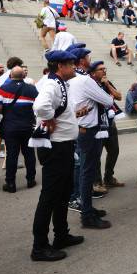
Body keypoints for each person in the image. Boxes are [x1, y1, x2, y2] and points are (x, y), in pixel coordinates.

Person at [30, 50, 84, 262]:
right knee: (50, 196)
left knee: (63, 193)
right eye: (71, 64)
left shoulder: (61, 83)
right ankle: (39, 246)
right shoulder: (52, 84)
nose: (74, 67)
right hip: (56, 148)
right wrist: (49, 117)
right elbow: (41, 106)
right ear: (60, 66)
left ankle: (61, 235)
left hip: (64, 146)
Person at [68, 55, 114, 229]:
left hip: (82, 130)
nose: (90, 59)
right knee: (87, 173)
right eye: (87, 57)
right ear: (81, 61)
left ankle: (87, 208)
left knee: (85, 172)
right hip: (89, 132)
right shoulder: (84, 81)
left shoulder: (73, 80)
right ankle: (87, 215)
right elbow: (109, 101)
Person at [0, 67, 38, 193]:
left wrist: (8, 111)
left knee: (12, 155)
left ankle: (11, 183)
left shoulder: (2, 89)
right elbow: (38, 105)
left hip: (10, 126)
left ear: (10, 76)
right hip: (27, 126)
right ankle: (30, 180)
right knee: (29, 153)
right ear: (24, 76)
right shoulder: (32, 88)